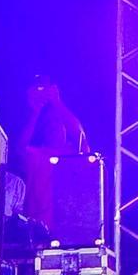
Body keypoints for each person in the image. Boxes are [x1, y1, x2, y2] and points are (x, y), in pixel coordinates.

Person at [21, 76, 90, 229]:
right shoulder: (37, 155)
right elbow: (20, 148)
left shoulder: (71, 155)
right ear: (44, 130)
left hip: (66, 226)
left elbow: (80, 135)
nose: (55, 128)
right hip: (37, 227)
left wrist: (57, 103)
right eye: (50, 125)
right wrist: (35, 112)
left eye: (59, 125)